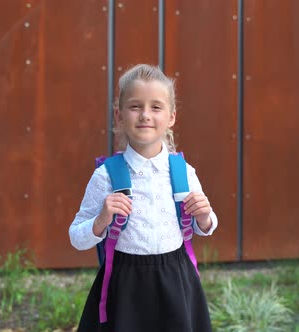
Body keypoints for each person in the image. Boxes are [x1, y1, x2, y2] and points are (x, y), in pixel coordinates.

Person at [69, 64, 218, 332]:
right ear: (119, 115)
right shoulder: (106, 176)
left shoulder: (183, 171)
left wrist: (205, 217)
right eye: (135, 106)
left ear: (171, 117)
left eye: (156, 107)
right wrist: (101, 220)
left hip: (176, 280)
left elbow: (204, 226)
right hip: (125, 287)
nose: (145, 115)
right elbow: (76, 237)